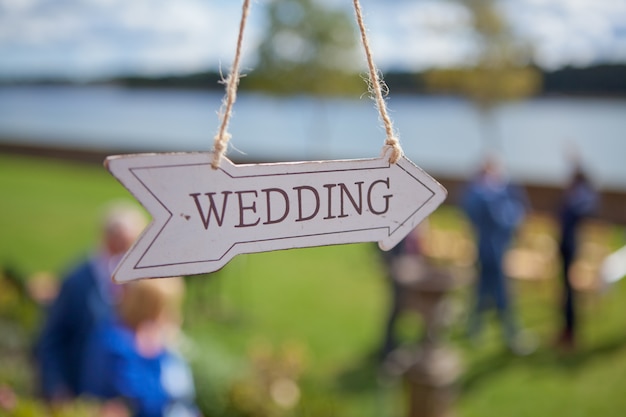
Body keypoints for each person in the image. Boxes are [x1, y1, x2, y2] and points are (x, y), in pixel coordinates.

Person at [34, 202, 147, 402]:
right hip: (78, 392)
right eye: (125, 244)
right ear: (109, 239)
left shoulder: (139, 283)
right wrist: (56, 387)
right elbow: (51, 339)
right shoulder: (78, 282)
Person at [82, 277, 199, 417]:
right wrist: (152, 354)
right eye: (168, 309)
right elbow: (146, 404)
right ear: (150, 309)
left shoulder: (160, 341)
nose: (176, 316)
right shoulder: (115, 343)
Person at [462, 157, 530, 354]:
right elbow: (505, 219)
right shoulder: (484, 194)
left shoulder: (481, 192)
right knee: (501, 295)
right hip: (491, 251)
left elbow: (517, 209)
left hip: (490, 249)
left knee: (483, 292)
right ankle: (511, 335)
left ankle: (475, 330)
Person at [556, 166, 599, 350]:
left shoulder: (580, 199)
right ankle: (566, 330)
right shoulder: (574, 198)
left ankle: (570, 333)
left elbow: (588, 206)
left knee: (570, 294)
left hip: (572, 249)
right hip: (566, 248)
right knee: (566, 293)